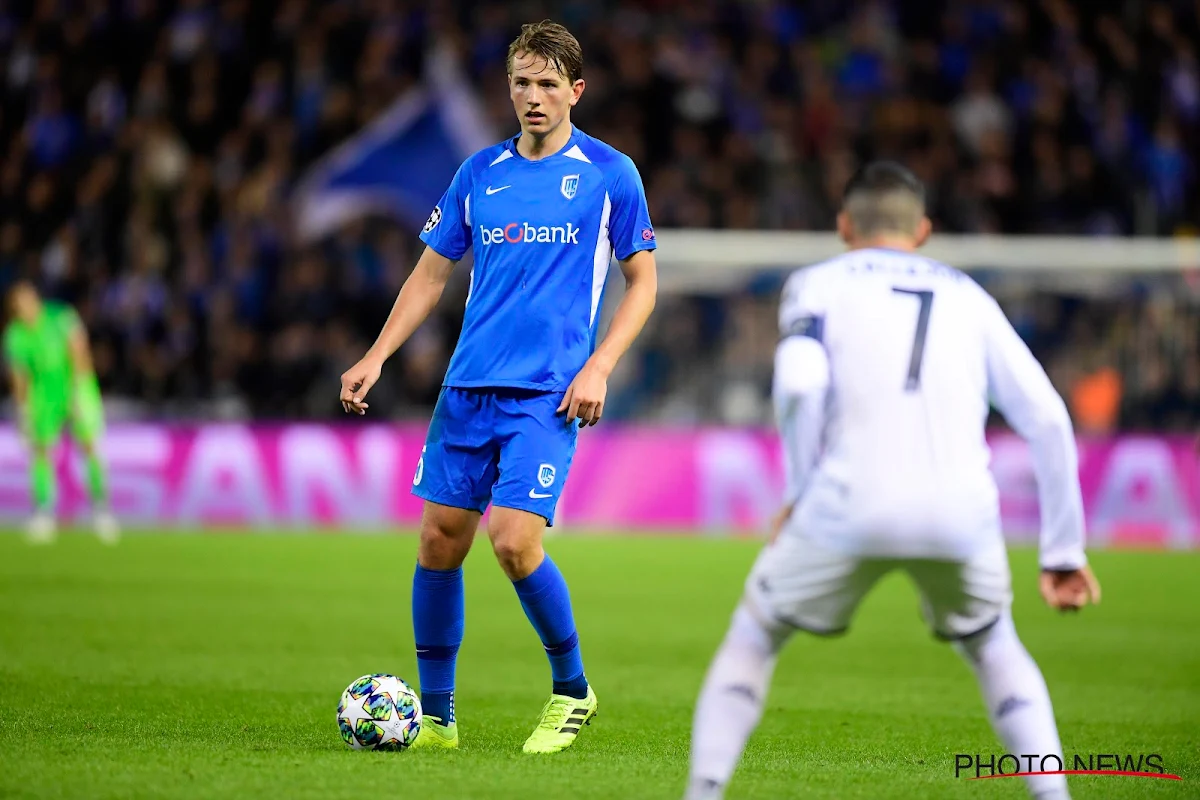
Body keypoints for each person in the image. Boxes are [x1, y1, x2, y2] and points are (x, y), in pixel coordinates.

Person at [684, 162, 1100, 800]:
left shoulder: (815, 284)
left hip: (850, 502)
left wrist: (798, 493)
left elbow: (798, 384)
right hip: (960, 511)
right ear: (924, 230)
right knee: (994, 644)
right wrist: (1063, 553)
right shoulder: (969, 295)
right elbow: (1047, 417)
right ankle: (1054, 795)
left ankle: (704, 791)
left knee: (758, 633)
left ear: (844, 225)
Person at [338, 20, 657, 754]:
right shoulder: (480, 172)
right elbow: (430, 273)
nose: (534, 96)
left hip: (546, 394)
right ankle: (439, 720)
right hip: (466, 387)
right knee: (439, 542)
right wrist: (378, 355)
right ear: (508, 87)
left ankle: (572, 691)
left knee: (513, 542)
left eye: (549, 84)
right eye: (522, 82)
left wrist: (600, 364)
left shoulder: (610, 174)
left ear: (576, 90)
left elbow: (643, 284)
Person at [3, 281, 118, 544]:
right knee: (40, 451)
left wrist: (79, 388)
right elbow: (20, 376)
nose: (25, 307)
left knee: (89, 446)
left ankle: (102, 511)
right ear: (14, 309)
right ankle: (44, 513)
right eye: (18, 304)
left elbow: (79, 352)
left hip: (75, 386)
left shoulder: (61, 316)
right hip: (43, 394)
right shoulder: (15, 335)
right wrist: (22, 409)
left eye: (27, 300)